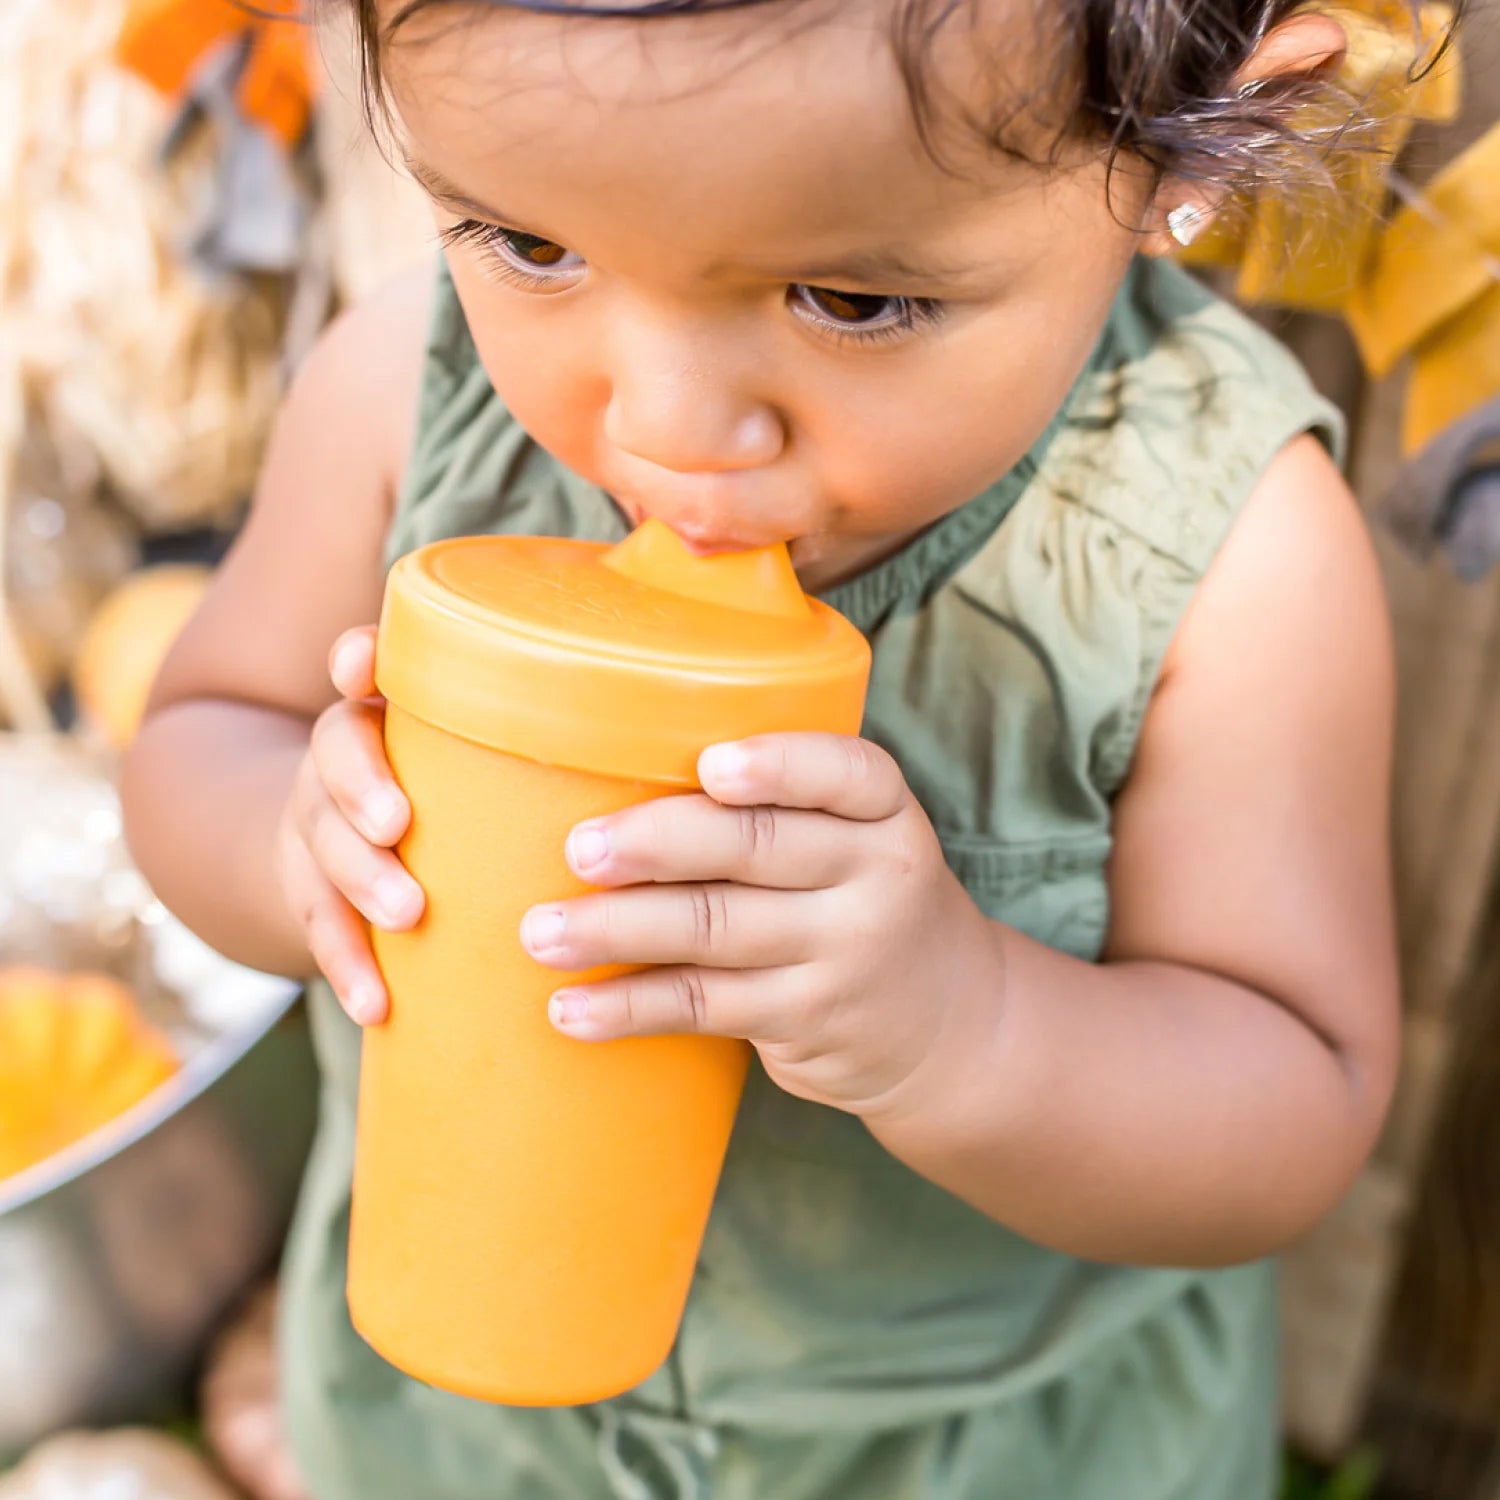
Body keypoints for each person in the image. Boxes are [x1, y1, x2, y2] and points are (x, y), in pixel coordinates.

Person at [120, 1, 1411, 1494]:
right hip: (464, 1434)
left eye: (849, 299)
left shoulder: (1227, 557)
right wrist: (295, 835)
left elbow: (1296, 1098)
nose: (666, 430)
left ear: (1187, 158)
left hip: (973, 1451)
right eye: (530, 244)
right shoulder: (401, 399)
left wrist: (963, 1027)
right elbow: (201, 737)